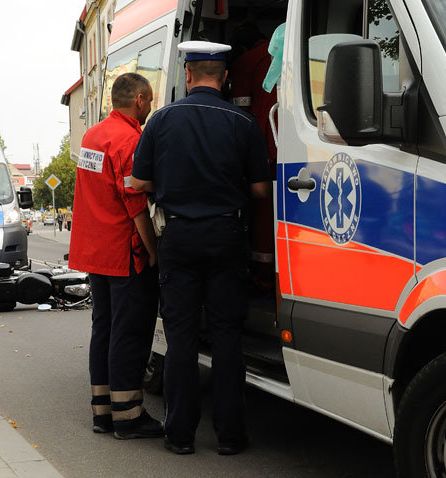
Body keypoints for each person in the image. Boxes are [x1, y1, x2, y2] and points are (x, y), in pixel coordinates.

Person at [131, 41, 271, 456]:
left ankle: (180, 436)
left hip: (178, 238)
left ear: (188, 76)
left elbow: (138, 183)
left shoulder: (160, 121)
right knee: (227, 336)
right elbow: (261, 189)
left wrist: (174, 183)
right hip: (227, 237)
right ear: (225, 77)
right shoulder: (243, 123)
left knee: (181, 338)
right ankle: (230, 437)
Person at [68, 72, 163, 440]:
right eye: (150, 100)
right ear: (138, 99)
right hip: (124, 252)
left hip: (95, 251)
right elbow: (135, 202)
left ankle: (103, 411)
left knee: (103, 329)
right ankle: (129, 416)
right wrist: (152, 251)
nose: (151, 106)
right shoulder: (129, 140)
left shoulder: (93, 135)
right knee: (131, 331)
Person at [230, 23, 278, 292]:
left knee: (262, 217)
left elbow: (240, 111)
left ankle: (263, 278)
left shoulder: (246, 62)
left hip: (264, 145)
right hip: (294, 143)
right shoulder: (284, 53)